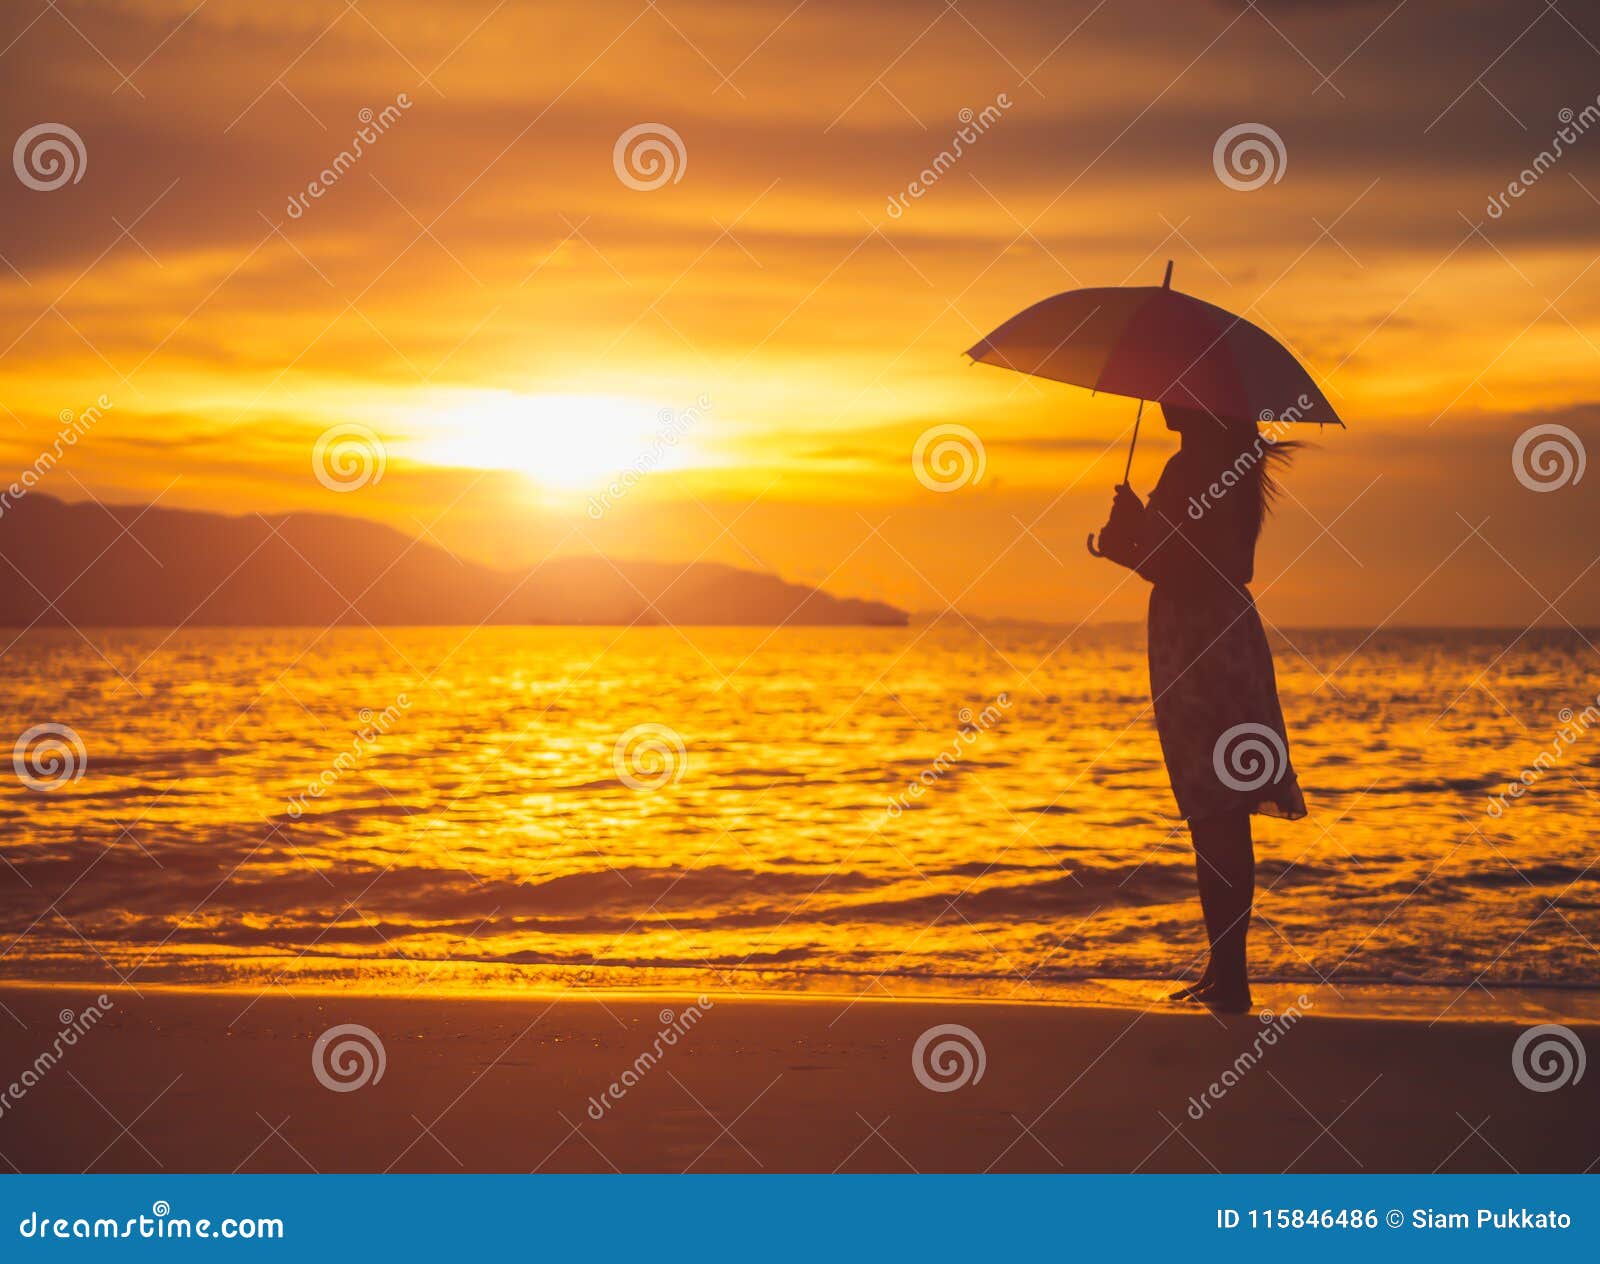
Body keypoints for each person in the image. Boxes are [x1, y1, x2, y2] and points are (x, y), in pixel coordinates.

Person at [1093, 404, 1306, 1013]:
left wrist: (1124, 541)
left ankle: (1230, 977)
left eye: (1174, 388)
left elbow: (1179, 565)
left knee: (1212, 810)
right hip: (1227, 637)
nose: (1162, 399)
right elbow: (1216, 563)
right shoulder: (1233, 466)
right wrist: (1134, 537)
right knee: (1223, 808)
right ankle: (1226, 970)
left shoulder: (1193, 468)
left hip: (1194, 644)